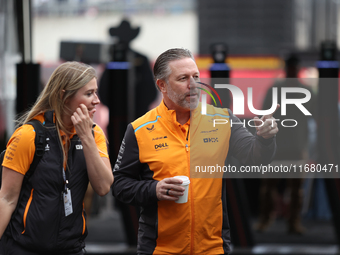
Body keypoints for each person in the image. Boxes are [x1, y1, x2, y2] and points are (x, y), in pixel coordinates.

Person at [112, 48, 278, 255]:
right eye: (183, 78)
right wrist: (154, 190)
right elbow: (119, 185)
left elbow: (255, 157)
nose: (193, 85)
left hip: (212, 248)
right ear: (161, 85)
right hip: (159, 249)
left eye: (196, 77)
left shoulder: (222, 119)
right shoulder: (139, 129)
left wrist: (265, 139)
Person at [0, 61, 113, 255]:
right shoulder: (29, 135)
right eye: (88, 93)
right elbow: (6, 198)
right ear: (64, 96)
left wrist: (85, 137)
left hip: (72, 248)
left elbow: (103, 187)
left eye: (96, 92)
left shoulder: (94, 135)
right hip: (24, 248)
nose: (96, 100)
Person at [255, 54, 317, 234]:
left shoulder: (305, 91)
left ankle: (292, 223)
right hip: (277, 146)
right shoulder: (277, 90)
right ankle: (267, 219)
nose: (293, 71)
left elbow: (316, 115)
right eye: (291, 68)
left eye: (294, 68)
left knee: (295, 189)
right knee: (269, 187)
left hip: (296, 147)